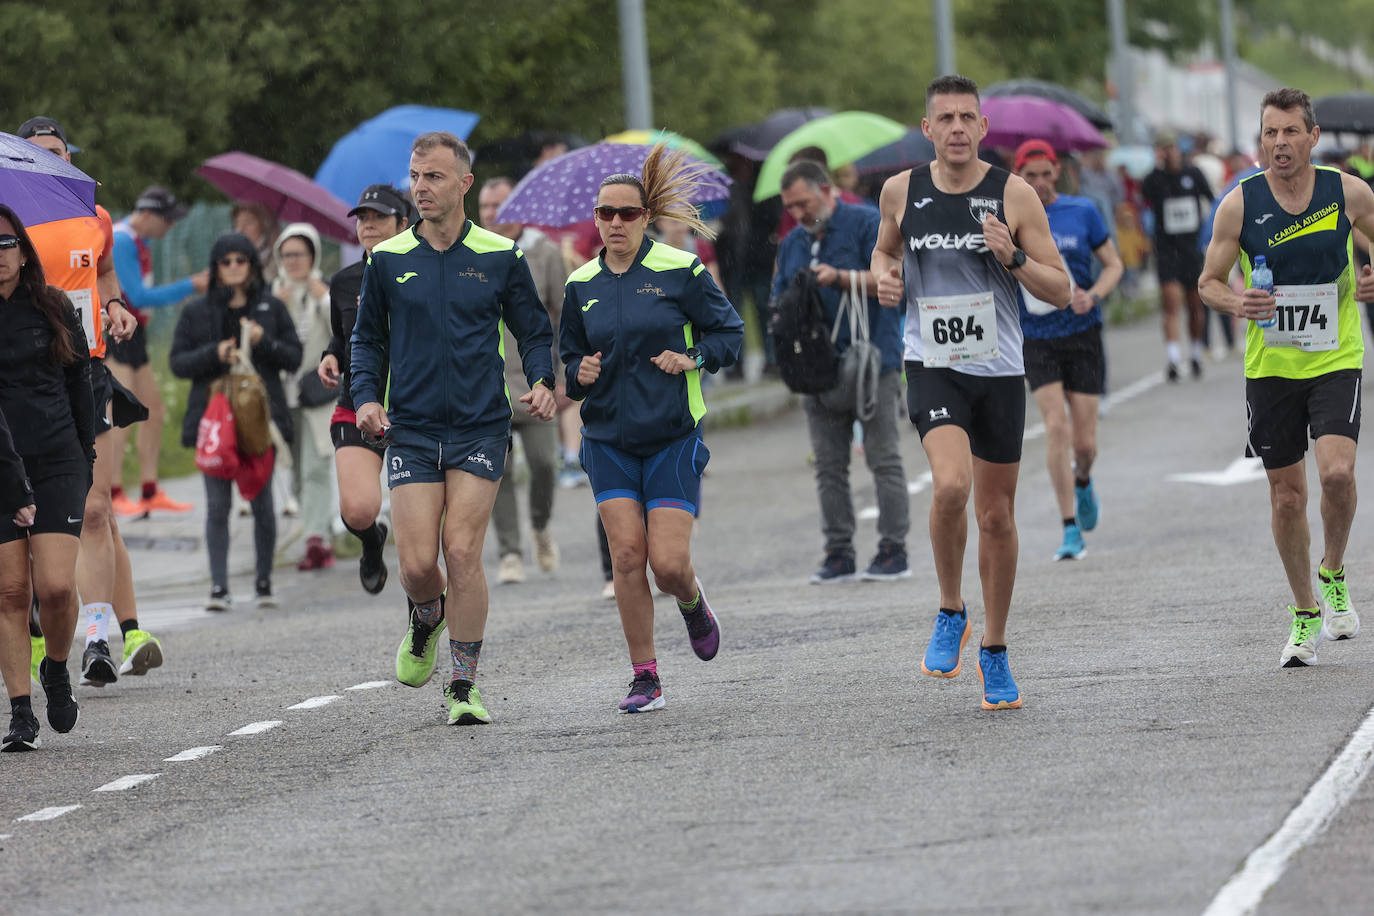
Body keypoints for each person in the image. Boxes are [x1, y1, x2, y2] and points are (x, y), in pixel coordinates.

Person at [871, 75, 1070, 710]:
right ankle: (951, 608)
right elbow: (882, 253)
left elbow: (1059, 289)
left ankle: (996, 648)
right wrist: (884, 278)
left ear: (983, 129)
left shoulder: (1013, 194)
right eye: (945, 118)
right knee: (951, 486)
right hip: (932, 363)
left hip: (999, 369)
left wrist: (1012, 258)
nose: (957, 128)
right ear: (927, 130)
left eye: (967, 118)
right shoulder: (901, 192)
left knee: (995, 515)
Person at [351, 131, 557, 726]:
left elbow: (534, 329)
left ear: (464, 184)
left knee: (461, 550)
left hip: (479, 425)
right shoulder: (386, 260)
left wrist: (542, 379)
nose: (420, 188)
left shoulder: (500, 255)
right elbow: (368, 340)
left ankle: (463, 684)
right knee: (418, 566)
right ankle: (425, 617)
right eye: (415, 176)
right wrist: (366, 396)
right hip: (411, 428)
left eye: (434, 177)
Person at [560, 144, 742, 714]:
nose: (615, 223)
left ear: (646, 218)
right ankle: (646, 675)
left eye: (627, 214)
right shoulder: (580, 284)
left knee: (666, 564)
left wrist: (693, 358)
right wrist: (576, 372)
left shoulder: (680, 271)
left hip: (671, 436)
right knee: (625, 557)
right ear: (594, 219)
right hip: (608, 441)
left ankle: (691, 602)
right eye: (605, 213)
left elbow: (730, 335)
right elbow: (568, 356)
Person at [1199, 87, 1374, 667]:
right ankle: (1304, 613)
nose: (1279, 143)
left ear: (1312, 136)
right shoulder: (1239, 205)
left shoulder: (1348, 192)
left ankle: (1333, 569)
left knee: (1340, 475)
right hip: (1271, 365)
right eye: (1269, 132)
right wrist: (1236, 303)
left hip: (1334, 355)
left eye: (1290, 131)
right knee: (1286, 497)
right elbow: (1209, 281)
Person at [17, 117, 164, 687]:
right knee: (27, 518)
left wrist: (116, 306)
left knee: (96, 508)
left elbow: (103, 275)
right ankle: (32, 635)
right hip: (24, 377)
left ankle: (99, 637)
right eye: (37, 155)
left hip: (86, 371)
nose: (51, 163)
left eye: (58, 153)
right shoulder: (9, 222)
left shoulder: (94, 216)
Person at [771, 159, 911, 583]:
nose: (798, 213)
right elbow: (777, 300)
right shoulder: (793, 243)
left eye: (804, 203)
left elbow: (893, 281)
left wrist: (841, 279)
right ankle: (839, 552)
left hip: (873, 360)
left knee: (883, 457)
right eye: (791, 207)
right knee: (829, 466)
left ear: (826, 189)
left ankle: (893, 548)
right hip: (817, 368)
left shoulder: (867, 223)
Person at [0, 204, 96, 751]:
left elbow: (81, 385)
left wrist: (85, 460)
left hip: (58, 460)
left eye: (5, 244)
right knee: (11, 591)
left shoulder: (54, 305)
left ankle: (55, 666)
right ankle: (19, 713)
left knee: (54, 588)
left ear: (23, 249)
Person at [170, 233, 302, 611]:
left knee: (262, 502)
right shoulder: (196, 311)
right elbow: (178, 363)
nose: (232, 267)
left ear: (251, 265)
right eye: (224, 261)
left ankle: (263, 583)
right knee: (216, 505)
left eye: (239, 260)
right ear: (215, 267)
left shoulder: (271, 307)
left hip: (260, 422)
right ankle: (219, 587)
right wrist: (215, 353)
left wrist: (263, 343)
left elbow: (293, 357)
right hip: (214, 422)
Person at [1013, 140, 1124, 561]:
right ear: (1019, 176)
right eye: (1030, 176)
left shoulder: (1082, 211)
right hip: (1037, 336)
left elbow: (1114, 264)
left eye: (1045, 174)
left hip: (1082, 334)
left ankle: (1083, 480)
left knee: (1085, 443)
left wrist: (1093, 295)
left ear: (1056, 171)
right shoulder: (1011, 217)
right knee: (1055, 428)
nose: (1039, 183)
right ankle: (1068, 526)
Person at [318, 185, 409, 594]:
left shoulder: (423, 274)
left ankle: (422, 605)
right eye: (362, 218)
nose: (368, 225)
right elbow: (344, 336)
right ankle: (372, 539)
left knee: (417, 534)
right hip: (359, 401)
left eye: (379, 217)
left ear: (403, 224)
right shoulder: (343, 282)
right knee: (357, 511)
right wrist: (330, 355)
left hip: (413, 404)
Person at [477, 177, 568, 584]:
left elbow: (567, 319)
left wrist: (563, 378)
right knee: (498, 472)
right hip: (489, 383)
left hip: (535, 380)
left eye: (499, 206)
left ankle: (540, 525)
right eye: (485, 208)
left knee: (545, 464)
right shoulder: (473, 253)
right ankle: (510, 551)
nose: (492, 215)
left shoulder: (543, 253)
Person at [107, 187, 208, 517]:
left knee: (153, 409)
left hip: (136, 335)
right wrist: (191, 285)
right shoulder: (122, 239)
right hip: (118, 333)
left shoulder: (140, 240)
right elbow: (137, 297)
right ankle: (113, 491)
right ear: (147, 215)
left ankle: (149, 490)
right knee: (118, 417)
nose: (170, 227)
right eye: (166, 220)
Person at [272, 222, 336, 570]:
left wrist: (322, 297)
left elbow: (338, 331)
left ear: (313, 255)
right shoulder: (274, 293)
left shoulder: (323, 291)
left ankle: (317, 539)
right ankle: (317, 527)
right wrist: (273, 306)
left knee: (316, 466)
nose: (293, 261)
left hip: (318, 396)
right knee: (294, 468)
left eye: (299, 254)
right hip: (284, 397)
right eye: (287, 255)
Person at [1142, 133, 1214, 381]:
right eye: (1164, 148)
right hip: (1166, 251)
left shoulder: (1193, 174)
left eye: (1172, 147)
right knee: (1171, 303)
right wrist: (1155, 165)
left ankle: (1195, 353)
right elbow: (1144, 197)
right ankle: (1173, 359)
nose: (1169, 152)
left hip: (1191, 250)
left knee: (1195, 305)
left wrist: (1208, 235)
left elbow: (1213, 201)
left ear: (1179, 149)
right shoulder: (1154, 179)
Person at [232, 202, 280, 286]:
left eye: (248, 222)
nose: (240, 229)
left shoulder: (277, 255)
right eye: (237, 223)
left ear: (264, 224)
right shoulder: (231, 255)